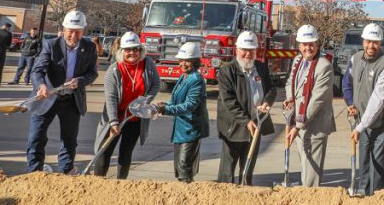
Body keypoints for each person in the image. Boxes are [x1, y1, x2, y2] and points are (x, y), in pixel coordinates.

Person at [26, 11, 98, 173]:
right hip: (47, 98)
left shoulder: (89, 47)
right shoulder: (51, 45)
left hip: (71, 101)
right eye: (70, 31)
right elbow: (37, 70)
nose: (73, 35)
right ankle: (34, 172)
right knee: (36, 137)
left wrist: (80, 81)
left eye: (78, 31)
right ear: (64, 29)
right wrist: (41, 86)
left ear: (83, 31)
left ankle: (65, 172)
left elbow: (92, 73)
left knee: (69, 140)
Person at [93, 32, 160, 179]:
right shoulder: (114, 70)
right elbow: (110, 98)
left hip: (134, 119)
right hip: (114, 117)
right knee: (104, 151)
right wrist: (113, 122)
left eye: (135, 49)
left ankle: (121, 183)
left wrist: (144, 100)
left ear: (140, 50)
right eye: (128, 49)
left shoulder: (147, 64)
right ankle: (98, 182)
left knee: (126, 153)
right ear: (121, 51)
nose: (132, 53)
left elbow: (156, 84)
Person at [342, 23, 384, 196]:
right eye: (368, 41)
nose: (371, 46)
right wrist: (351, 103)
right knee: (364, 159)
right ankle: (362, 194)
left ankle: (376, 197)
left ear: (380, 43)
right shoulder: (356, 58)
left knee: (378, 163)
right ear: (363, 41)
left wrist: (359, 127)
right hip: (362, 119)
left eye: (375, 42)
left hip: (382, 123)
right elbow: (347, 83)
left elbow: (377, 102)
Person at [216, 30, 275, 185]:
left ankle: (246, 195)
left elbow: (271, 89)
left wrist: (267, 102)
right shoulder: (227, 71)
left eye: (251, 50)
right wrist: (246, 121)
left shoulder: (261, 68)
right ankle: (224, 197)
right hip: (233, 128)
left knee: (247, 170)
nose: (248, 54)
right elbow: (228, 101)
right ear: (237, 50)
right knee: (227, 173)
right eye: (244, 50)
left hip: (256, 125)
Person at [283, 24, 335, 187]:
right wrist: (290, 99)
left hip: (315, 126)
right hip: (298, 123)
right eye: (304, 44)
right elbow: (290, 82)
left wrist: (297, 126)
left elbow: (315, 101)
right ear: (299, 45)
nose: (308, 48)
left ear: (318, 44)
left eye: (311, 44)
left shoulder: (324, 66)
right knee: (304, 167)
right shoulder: (298, 60)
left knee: (311, 175)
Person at [156, 42, 209, 183]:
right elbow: (178, 101)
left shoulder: (196, 80)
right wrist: (166, 105)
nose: (183, 64)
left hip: (191, 129)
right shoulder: (183, 77)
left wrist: (166, 109)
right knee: (180, 167)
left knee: (185, 167)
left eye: (187, 61)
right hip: (181, 128)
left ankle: (186, 193)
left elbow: (189, 106)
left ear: (195, 61)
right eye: (181, 60)